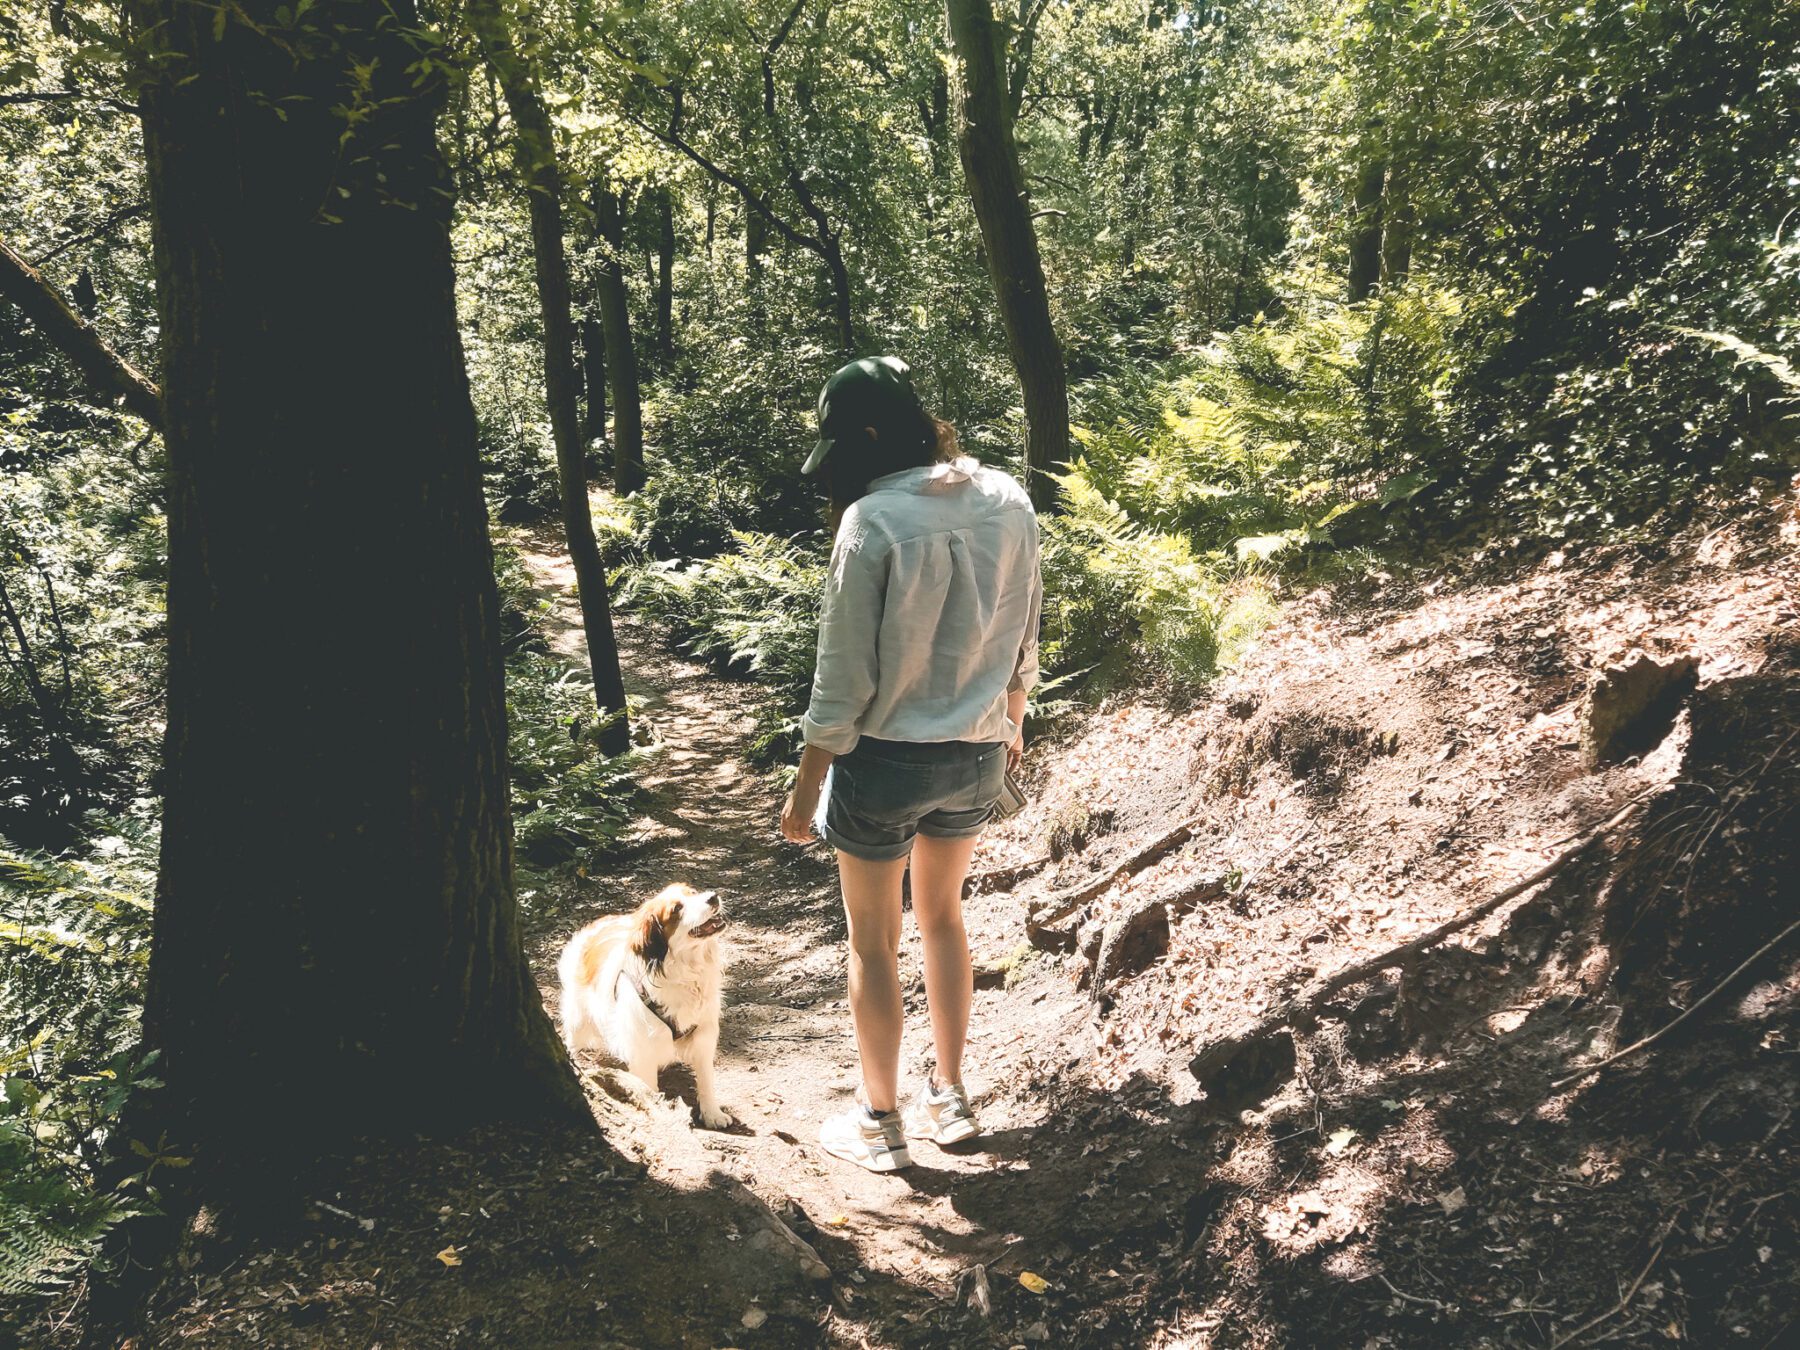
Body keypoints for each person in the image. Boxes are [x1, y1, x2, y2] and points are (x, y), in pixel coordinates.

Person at [778, 355, 1042, 1172]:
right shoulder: (1006, 496)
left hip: (884, 765)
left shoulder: (872, 522)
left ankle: (880, 1120)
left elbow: (842, 680)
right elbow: (1025, 629)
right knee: (946, 920)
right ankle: (953, 1097)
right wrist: (1012, 722)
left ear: (863, 440)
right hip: (976, 754)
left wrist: (803, 792)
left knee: (872, 943)